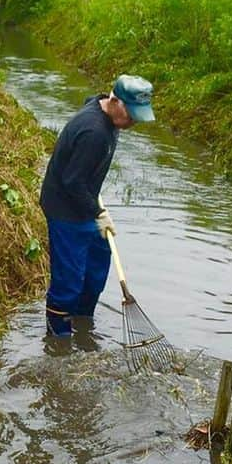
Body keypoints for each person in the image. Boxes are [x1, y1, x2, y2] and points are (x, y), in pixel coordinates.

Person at [39, 74, 155, 338]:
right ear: (114, 101)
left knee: (96, 267)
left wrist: (94, 208)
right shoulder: (94, 132)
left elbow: (90, 100)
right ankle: (59, 339)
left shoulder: (104, 108)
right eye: (131, 116)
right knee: (69, 280)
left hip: (85, 202)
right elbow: (72, 182)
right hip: (65, 209)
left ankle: (82, 323)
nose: (133, 123)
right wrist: (99, 213)